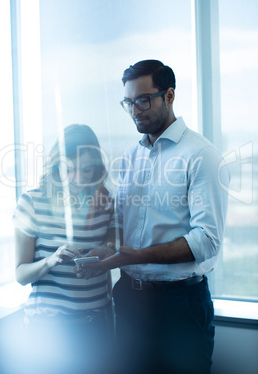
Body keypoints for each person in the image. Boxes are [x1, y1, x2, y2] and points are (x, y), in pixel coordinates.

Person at [78, 60, 230, 374]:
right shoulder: (130, 157)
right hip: (131, 300)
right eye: (129, 102)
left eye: (143, 100)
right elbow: (123, 222)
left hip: (180, 304)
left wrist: (132, 257)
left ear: (169, 96)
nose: (135, 110)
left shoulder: (201, 156)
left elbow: (207, 241)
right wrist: (109, 249)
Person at [2, 124, 116, 374]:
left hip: (94, 328)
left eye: (86, 170)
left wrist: (103, 256)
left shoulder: (106, 202)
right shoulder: (31, 202)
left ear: (96, 169)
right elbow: (21, 274)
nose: (76, 178)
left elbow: (109, 262)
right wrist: (50, 260)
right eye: (68, 170)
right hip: (47, 331)